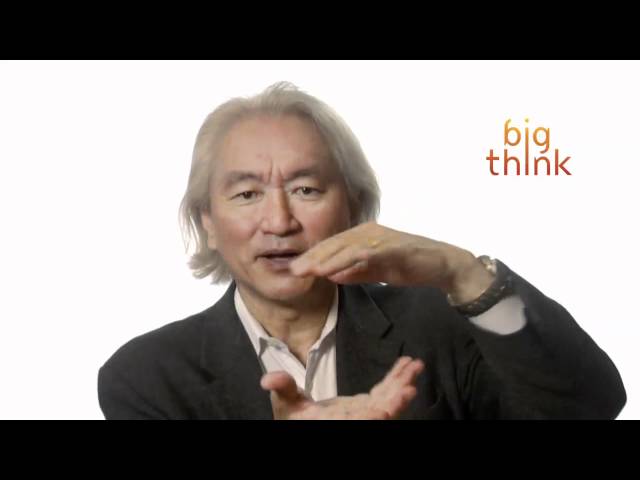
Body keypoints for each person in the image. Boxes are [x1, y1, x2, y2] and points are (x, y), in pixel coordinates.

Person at [97, 82, 626, 420]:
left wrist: (464, 273)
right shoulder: (146, 377)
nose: (279, 221)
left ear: (353, 208)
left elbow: (588, 407)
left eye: (306, 189)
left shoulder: (440, 326)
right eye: (246, 194)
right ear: (208, 223)